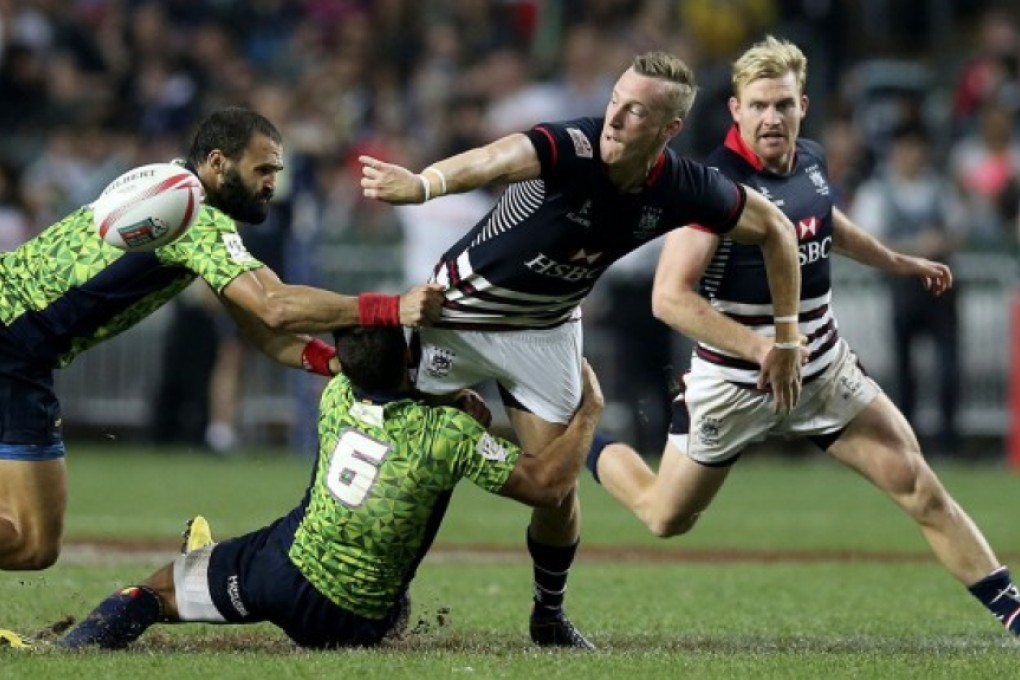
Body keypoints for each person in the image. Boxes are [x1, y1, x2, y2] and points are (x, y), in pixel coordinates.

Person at [359, 51, 805, 648]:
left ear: (669, 130)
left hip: (545, 330)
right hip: (458, 312)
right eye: (616, 98)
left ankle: (549, 614)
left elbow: (776, 228)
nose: (615, 116)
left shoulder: (682, 185)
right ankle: (383, 589)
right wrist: (424, 184)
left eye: (636, 110)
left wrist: (788, 336)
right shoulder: (571, 144)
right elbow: (498, 157)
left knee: (559, 482)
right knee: (402, 460)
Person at [587, 36, 1020, 638]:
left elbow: (824, 221)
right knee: (664, 517)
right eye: (759, 105)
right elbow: (669, 298)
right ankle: (588, 437)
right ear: (736, 109)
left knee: (919, 485)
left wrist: (897, 259)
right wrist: (764, 348)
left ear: (803, 107)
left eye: (783, 105)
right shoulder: (714, 186)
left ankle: (1014, 613)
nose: (772, 118)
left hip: (820, 368)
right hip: (737, 381)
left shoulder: (812, 160)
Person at [0, 106, 444, 572]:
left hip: (18, 345)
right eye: (263, 169)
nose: (272, 183)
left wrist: (333, 363)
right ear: (217, 162)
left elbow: (257, 323)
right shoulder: (192, 216)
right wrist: (392, 308)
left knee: (34, 543)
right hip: (14, 342)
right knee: (30, 543)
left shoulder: (176, 192)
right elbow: (275, 304)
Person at [3, 326, 605, 650]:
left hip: (279, 574)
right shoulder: (444, 431)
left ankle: (68, 651)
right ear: (413, 364)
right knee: (395, 610)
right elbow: (547, 487)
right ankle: (214, 560)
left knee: (151, 593)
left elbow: (378, 379)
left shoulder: (334, 396)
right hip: (354, 618)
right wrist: (589, 412)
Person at [851, 123, 965, 456]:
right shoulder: (878, 191)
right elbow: (867, 239)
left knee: (949, 368)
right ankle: (907, 439)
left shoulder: (940, 189)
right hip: (902, 290)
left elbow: (959, 230)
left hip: (939, 292)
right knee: (904, 370)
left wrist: (940, 244)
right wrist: (914, 248)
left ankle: (949, 440)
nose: (911, 155)